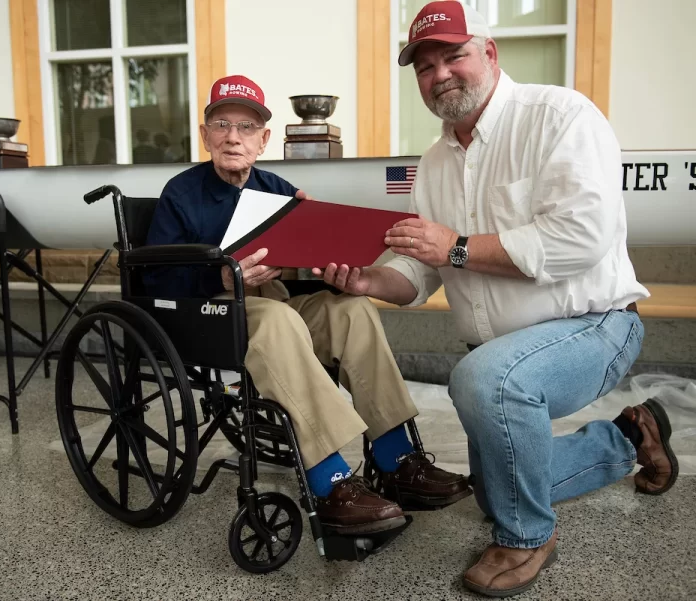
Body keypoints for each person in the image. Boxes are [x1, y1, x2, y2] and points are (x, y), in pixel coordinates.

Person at [314, 1, 678, 596]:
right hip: (503, 351)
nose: (440, 75)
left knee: (483, 380)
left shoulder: (560, 116)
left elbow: (582, 238)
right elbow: (417, 269)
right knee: (492, 490)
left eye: (454, 55)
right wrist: (368, 282)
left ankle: (529, 538)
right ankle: (631, 438)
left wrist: (455, 245)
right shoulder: (432, 163)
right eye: (424, 66)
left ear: (489, 53)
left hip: (595, 325)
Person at [143, 74, 471, 535]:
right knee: (276, 321)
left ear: (263, 139)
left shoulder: (276, 185)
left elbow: (303, 258)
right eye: (221, 124)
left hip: (273, 303)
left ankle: (396, 459)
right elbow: (156, 279)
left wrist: (321, 238)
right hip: (209, 312)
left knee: (351, 311)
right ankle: (331, 480)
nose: (233, 137)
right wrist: (219, 274)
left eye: (246, 126)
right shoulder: (182, 193)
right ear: (205, 135)